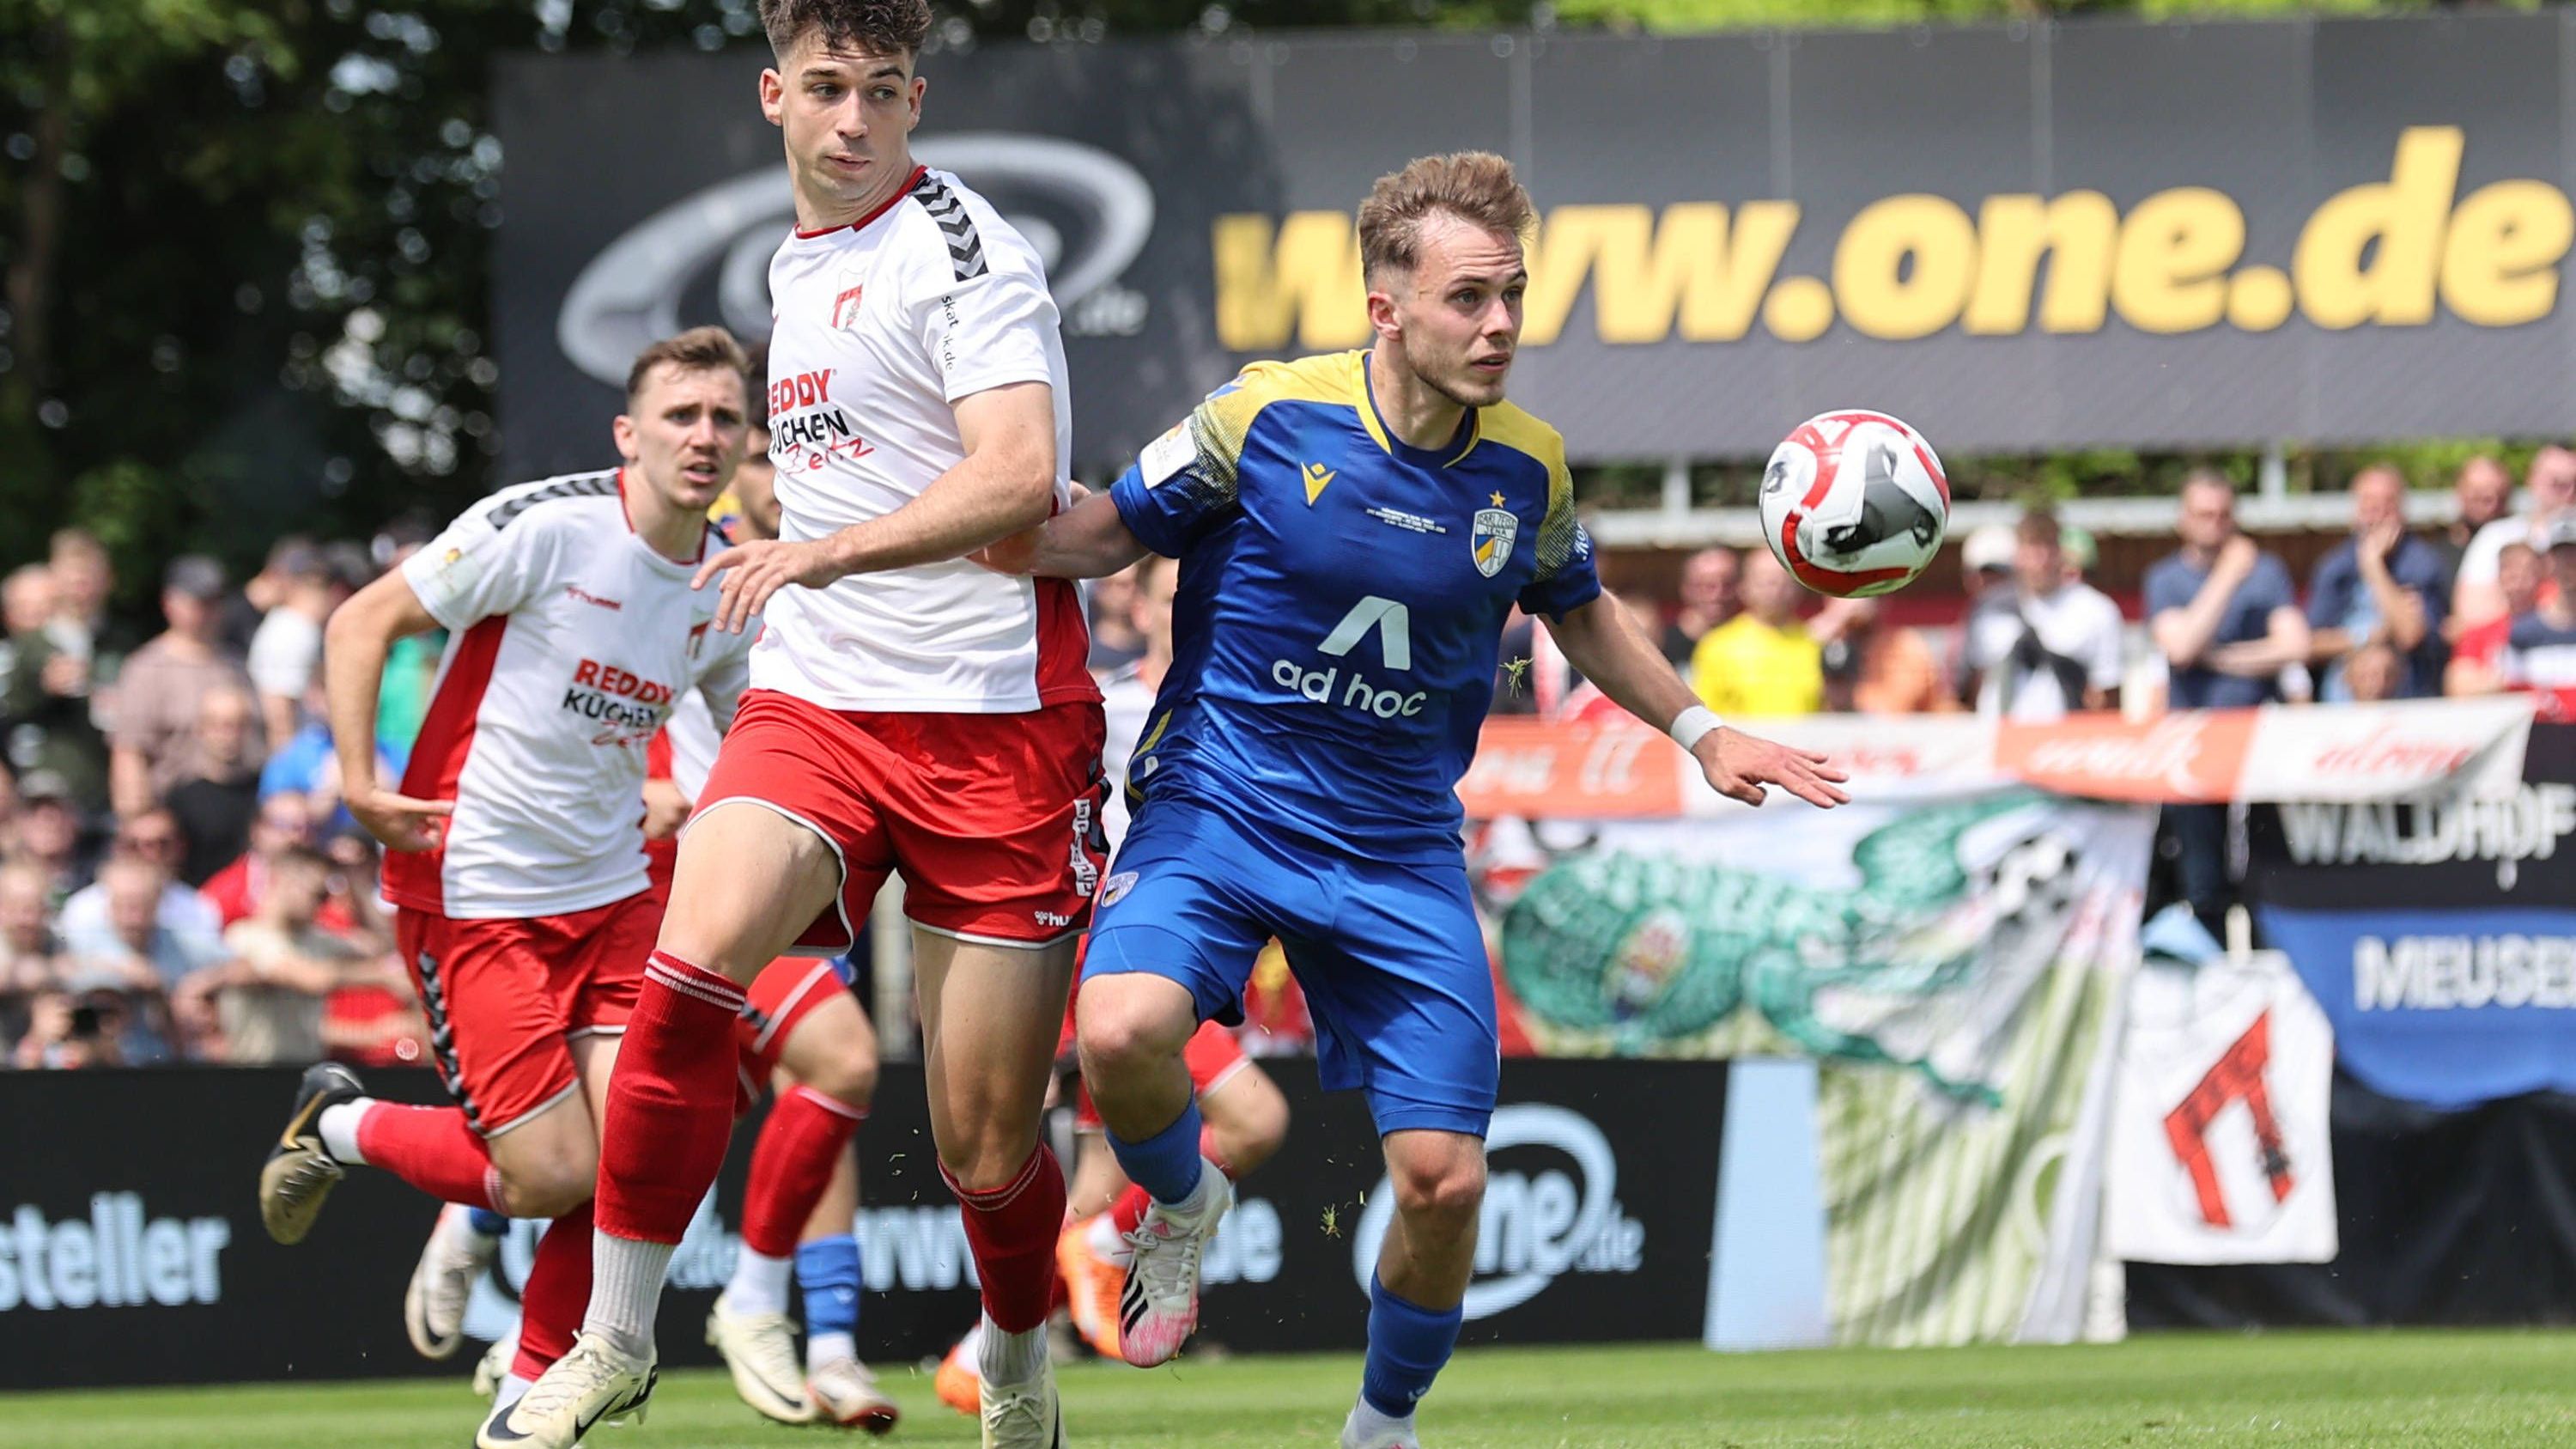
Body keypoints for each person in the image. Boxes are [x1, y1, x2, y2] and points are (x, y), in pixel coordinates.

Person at [991, 150, 1843, 1449]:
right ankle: (1178, 1203)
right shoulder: (1263, 418)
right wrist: (945, 527)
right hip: (1223, 805)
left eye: (1512, 295)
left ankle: (1382, 1427)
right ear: (1385, 307)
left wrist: (1702, 727)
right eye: (1467, 299)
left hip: (1396, 850)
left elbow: (1584, 613)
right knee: (1119, 1030)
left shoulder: (1531, 468)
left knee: (1444, 1185)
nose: (1499, 325)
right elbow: (1107, 530)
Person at [509, 9, 1103, 1443]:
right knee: (690, 959)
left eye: (881, 95)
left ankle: (1017, 1354)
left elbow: (1020, 476)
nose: (853, 122)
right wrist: (814, 580)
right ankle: (614, 1340)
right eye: (827, 91)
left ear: (916, 101)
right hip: (821, 698)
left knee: (982, 1148)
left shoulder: (968, 250)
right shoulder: (797, 259)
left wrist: (823, 554)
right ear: (775, 94)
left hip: (992, 722)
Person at [252, 327, 756, 1449]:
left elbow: (752, 735)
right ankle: (340, 1125)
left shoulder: (725, 579)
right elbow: (359, 619)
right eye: (682, 415)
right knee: (547, 1174)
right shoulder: (547, 523)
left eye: (725, 417)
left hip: (617, 892)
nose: (705, 436)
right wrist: (356, 781)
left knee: (629, 1146)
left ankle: (527, 1397)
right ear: (630, 433)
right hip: (471, 888)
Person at [932, 552, 1295, 1416]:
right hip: (1104, 950)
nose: (1206, 598)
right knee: (1253, 1120)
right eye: (1181, 589)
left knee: (1101, 1173)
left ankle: (977, 1352)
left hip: (1186, 955)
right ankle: (1106, 1243)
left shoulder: (1254, 703)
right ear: (1140, 600)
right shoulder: (1106, 698)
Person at [2145, 473, 2307, 935]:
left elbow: (2294, 644)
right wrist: (2228, 575)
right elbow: (2181, 648)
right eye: (2203, 514)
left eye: (2223, 515)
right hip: (2194, 749)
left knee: (2268, 882)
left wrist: (2223, 658)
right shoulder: (2166, 579)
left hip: (2258, 747)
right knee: (2203, 882)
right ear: (2183, 519)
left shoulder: (2269, 572)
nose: (2215, 525)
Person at [110, 555, 263, 819]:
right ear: (169, 603)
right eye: (198, 601)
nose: (208, 610)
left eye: (215, 600)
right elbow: (129, 752)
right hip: (176, 817)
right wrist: (138, 820)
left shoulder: (237, 663)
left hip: (240, 808)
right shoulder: (147, 668)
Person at [215, 843, 379, 1065]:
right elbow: (311, 979)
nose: (322, 905)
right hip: (253, 1074)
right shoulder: (245, 937)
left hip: (305, 1071)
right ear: (285, 881)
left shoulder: (316, 938)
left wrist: (355, 881)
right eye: (318, 894)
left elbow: (381, 947)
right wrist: (382, 978)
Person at [1962, 508, 2123, 720]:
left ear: (2061, 551)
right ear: (2017, 553)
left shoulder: (2096, 611)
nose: (2041, 559)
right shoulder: (1989, 609)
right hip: (1999, 739)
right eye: (2032, 547)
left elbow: (2108, 696)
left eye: (2048, 546)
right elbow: (1976, 683)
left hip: (2061, 743)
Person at [2304, 466, 2446, 701]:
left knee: (2380, 665)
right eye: (2369, 503)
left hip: (2405, 694)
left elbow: (2410, 635)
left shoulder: (2421, 563)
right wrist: (2366, 638)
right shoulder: (2335, 567)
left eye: (2386, 504)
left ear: (2402, 512)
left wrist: (2373, 566)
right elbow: (2312, 643)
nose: (2377, 512)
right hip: (2341, 698)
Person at [0, 563, 110, 816]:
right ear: (8, 615)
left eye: (49, 607)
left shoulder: (86, 652)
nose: (40, 617)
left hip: (82, 801)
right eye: (29, 608)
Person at [1690, 549, 1828, 716]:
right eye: (1766, 582)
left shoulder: (1816, 643)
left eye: (1784, 581)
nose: (1776, 590)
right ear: (1744, 587)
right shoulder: (1716, 646)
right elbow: (1704, 715)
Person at [2453, 446, 2576, 629]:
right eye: (2557, 483)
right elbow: (2470, 614)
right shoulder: (2496, 536)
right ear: (2532, 479)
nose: (2569, 492)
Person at [246, 542, 343, 752]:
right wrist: (287, 773)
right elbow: (279, 718)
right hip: (294, 765)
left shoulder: (296, 628)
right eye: (325, 585)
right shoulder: (292, 630)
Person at [164, 685, 265, 886]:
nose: (228, 735)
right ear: (200, 729)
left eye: (237, 725)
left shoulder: (265, 790)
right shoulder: (180, 797)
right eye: (218, 725)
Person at [2497, 514, 2576, 720]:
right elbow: (2512, 701)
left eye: (2574, 554)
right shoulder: (2524, 632)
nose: (2569, 563)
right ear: (2548, 562)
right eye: (2561, 555)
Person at [2446, 541, 2545, 697]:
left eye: (2526, 574)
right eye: (2511, 575)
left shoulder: (2559, 627)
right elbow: (2457, 685)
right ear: (2499, 577)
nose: (2518, 584)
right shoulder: (2480, 633)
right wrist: (2509, 681)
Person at [2430, 454, 2512, 598]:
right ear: (2460, 492)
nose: (2491, 506)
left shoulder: (2520, 546)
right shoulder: (2436, 556)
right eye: (2480, 497)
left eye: (2500, 498)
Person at [1660, 546, 1739, 673]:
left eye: (1727, 584)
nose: (1717, 594)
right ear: (1685, 588)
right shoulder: (1661, 645)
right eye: (1707, 586)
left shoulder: (1752, 645)